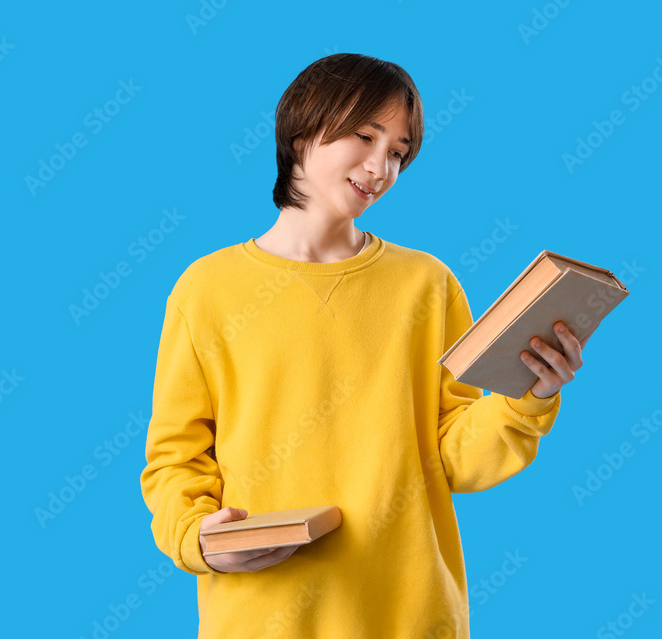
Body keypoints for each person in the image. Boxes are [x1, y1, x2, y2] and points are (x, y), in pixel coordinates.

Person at [139, 53, 586, 638]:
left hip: (409, 616)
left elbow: (453, 457)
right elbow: (175, 458)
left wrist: (525, 397)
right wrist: (198, 538)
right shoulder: (207, 289)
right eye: (365, 136)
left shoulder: (427, 284)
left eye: (399, 152)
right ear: (301, 130)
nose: (381, 167)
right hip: (261, 620)